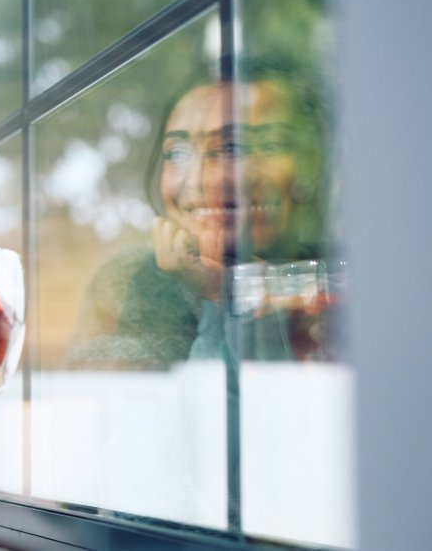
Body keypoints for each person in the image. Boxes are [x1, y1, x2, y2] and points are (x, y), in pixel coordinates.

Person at [66, 56, 335, 370]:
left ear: (312, 166)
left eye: (235, 147)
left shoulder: (342, 282)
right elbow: (125, 408)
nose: (198, 180)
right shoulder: (133, 282)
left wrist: (239, 297)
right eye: (177, 153)